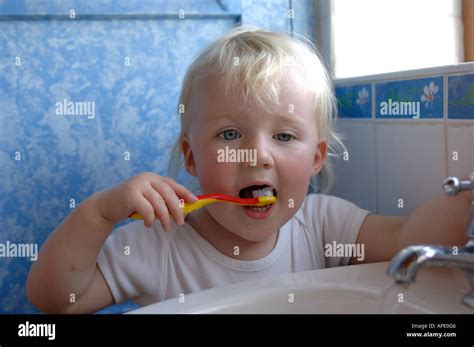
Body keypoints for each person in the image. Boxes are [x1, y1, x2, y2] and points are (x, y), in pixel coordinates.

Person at [26, 26, 472, 313]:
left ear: (316, 158)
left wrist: (465, 198)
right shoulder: (157, 241)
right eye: (229, 135)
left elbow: (409, 241)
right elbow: (56, 299)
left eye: (283, 137)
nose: (257, 156)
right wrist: (100, 213)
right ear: (192, 158)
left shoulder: (323, 225)